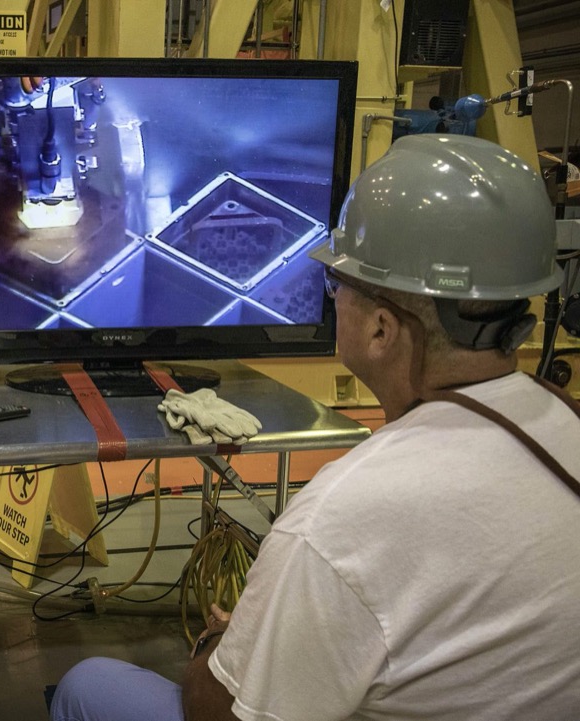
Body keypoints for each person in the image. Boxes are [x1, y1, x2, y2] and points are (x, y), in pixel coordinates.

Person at [50, 134, 580, 720]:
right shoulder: (567, 426)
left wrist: (219, 647)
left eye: (338, 286)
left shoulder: (342, 513)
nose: (332, 299)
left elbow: (218, 712)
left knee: (88, 684)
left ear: (381, 328)